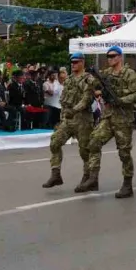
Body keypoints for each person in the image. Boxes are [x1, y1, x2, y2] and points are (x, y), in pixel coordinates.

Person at [77, 46, 136, 198]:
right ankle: (93, 178)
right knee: (94, 142)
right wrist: (92, 84)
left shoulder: (129, 73)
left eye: (113, 56)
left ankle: (127, 184)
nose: (110, 59)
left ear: (120, 57)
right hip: (108, 116)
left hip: (123, 118)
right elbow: (91, 83)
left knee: (124, 152)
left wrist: (121, 100)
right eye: (108, 56)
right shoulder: (105, 74)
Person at [41, 53, 94, 189]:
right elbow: (64, 100)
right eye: (72, 62)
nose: (73, 64)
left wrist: (74, 110)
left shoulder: (88, 79)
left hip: (83, 119)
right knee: (55, 142)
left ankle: (88, 177)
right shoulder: (69, 80)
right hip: (68, 119)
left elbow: (86, 99)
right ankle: (56, 174)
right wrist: (62, 118)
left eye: (76, 62)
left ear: (82, 62)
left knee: (85, 151)